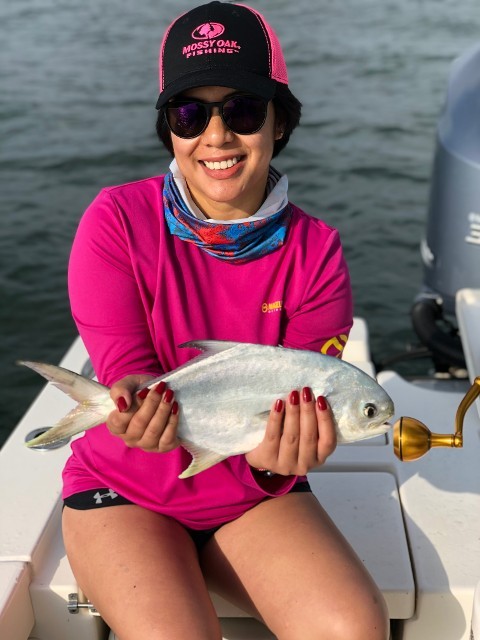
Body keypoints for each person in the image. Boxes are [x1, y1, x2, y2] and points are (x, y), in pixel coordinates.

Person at [62, 2, 389, 639]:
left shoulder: (315, 249)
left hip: (249, 492)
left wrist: (278, 460)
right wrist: (132, 407)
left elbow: (293, 414)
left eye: (241, 110)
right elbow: (127, 370)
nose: (216, 137)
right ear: (171, 131)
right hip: (124, 487)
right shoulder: (116, 221)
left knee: (352, 628)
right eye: (190, 113)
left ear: (278, 123)